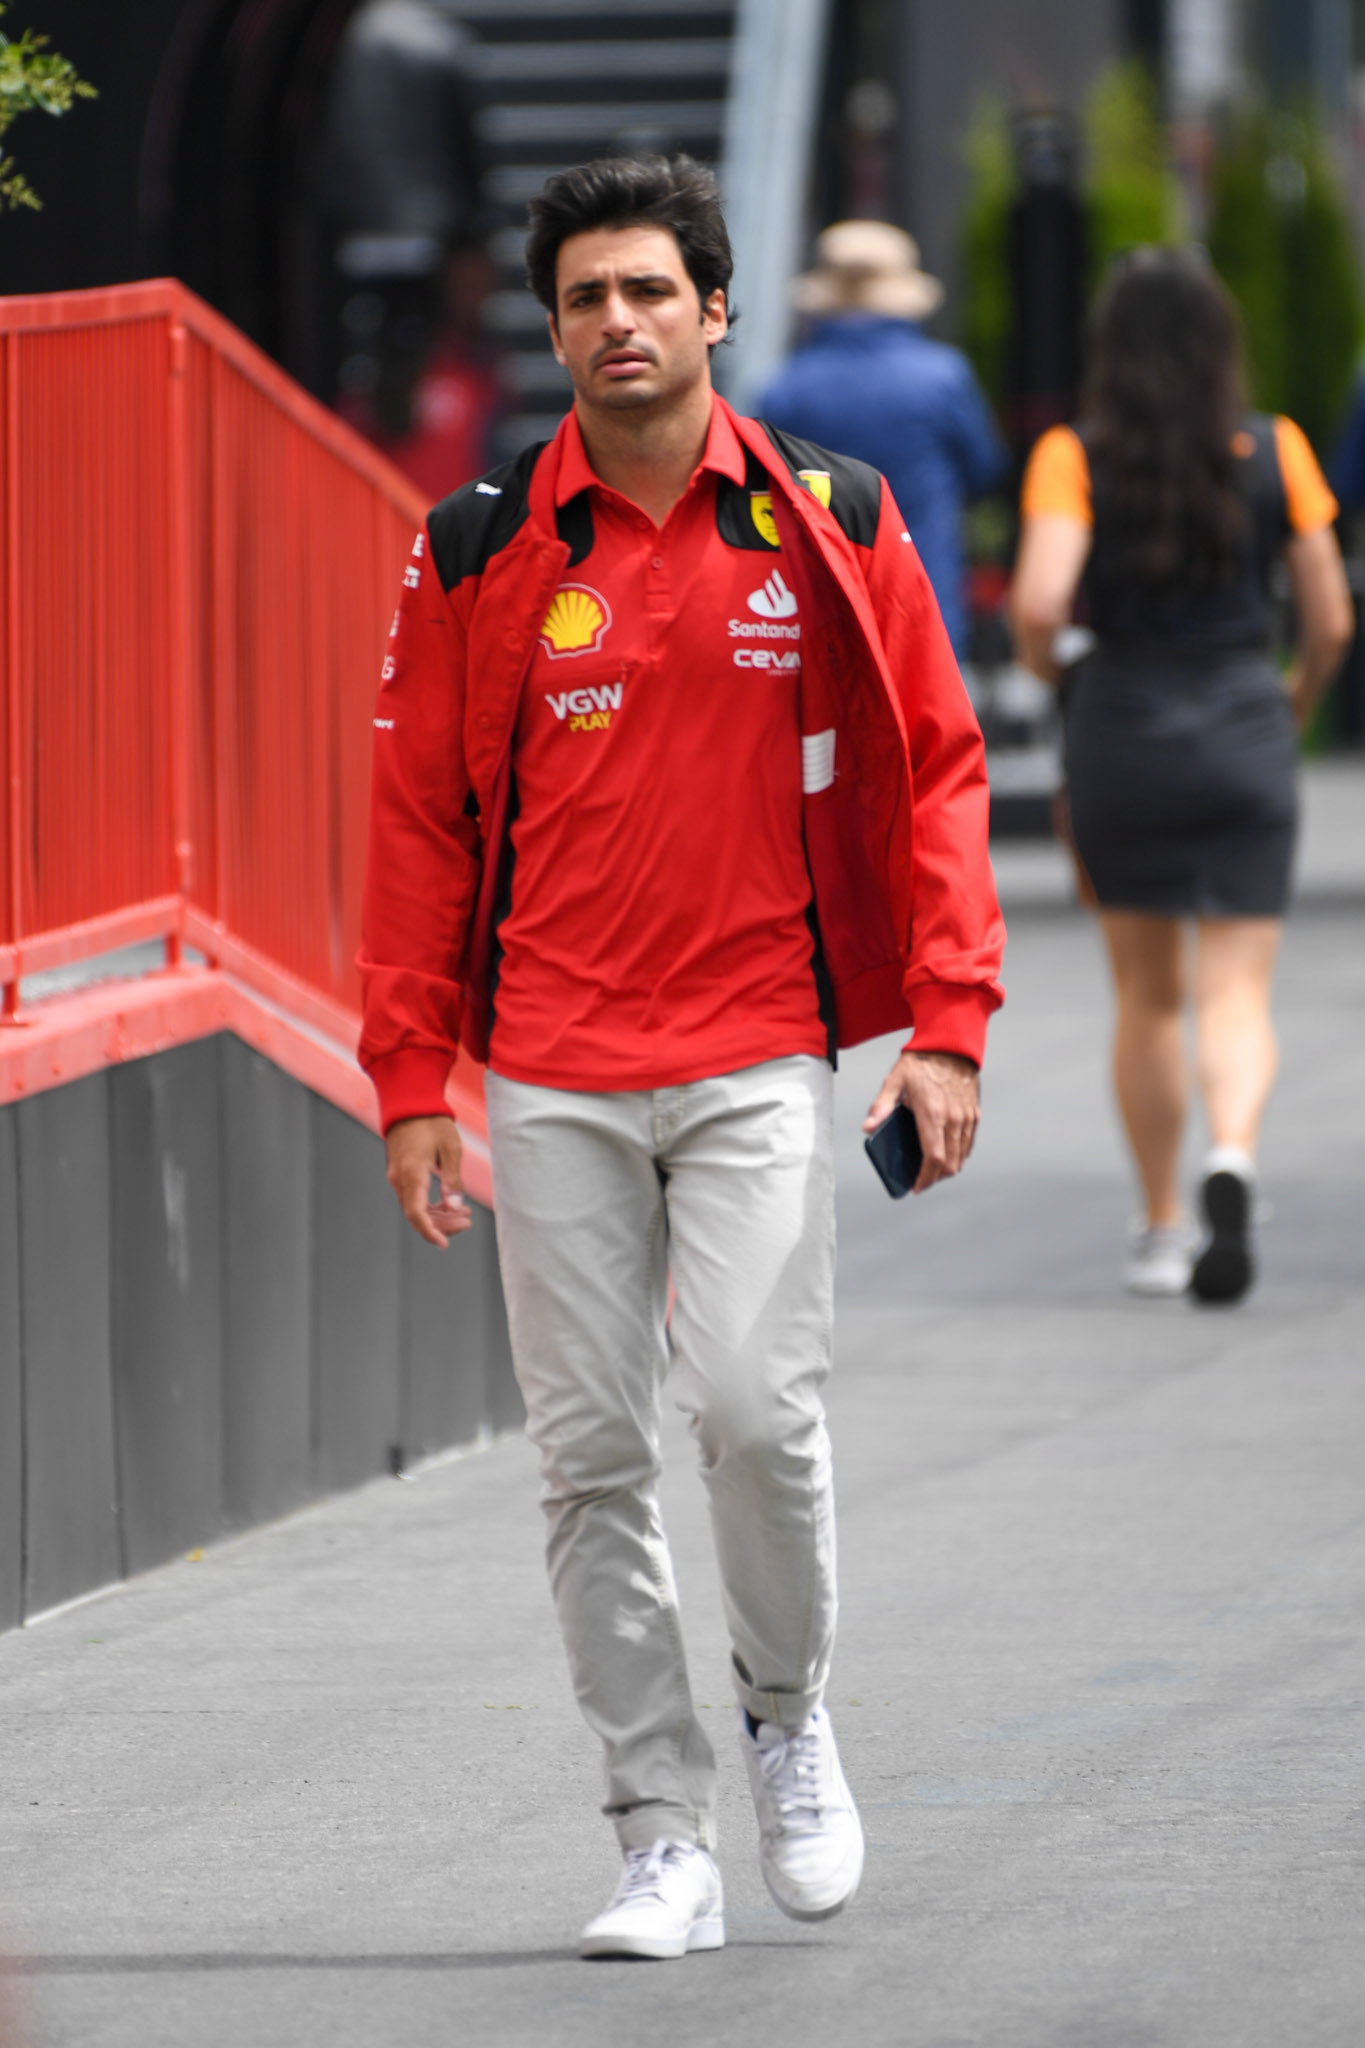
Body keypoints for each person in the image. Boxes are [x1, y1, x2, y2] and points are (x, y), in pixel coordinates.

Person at [359, 155, 1005, 1959]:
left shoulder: (828, 517)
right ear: (554, 327)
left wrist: (946, 1025)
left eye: (649, 289)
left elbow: (942, 766)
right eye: (585, 297)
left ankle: (787, 1719)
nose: (618, 321)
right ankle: (660, 1834)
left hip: (754, 1050)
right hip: (551, 1064)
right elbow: (414, 821)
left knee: (749, 1410)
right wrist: (410, 1077)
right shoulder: (480, 544)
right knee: (589, 1459)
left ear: (714, 309)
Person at [1011, 247, 1352, 1303]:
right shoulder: (1275, 447)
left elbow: (1038, 603)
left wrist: (1057, 673)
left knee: (1148, 997)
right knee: (1237, 990)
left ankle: (1162, 1226)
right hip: (1245, 723)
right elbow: (1331, 620)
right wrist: (1293, 700)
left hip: (1123, 732)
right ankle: (1232, 1154)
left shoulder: (1072, 453)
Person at [760, 221, 1007, 655]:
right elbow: (984, 471)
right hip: (925, 607)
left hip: (819, 613)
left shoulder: (786, 388)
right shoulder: (943, 378)